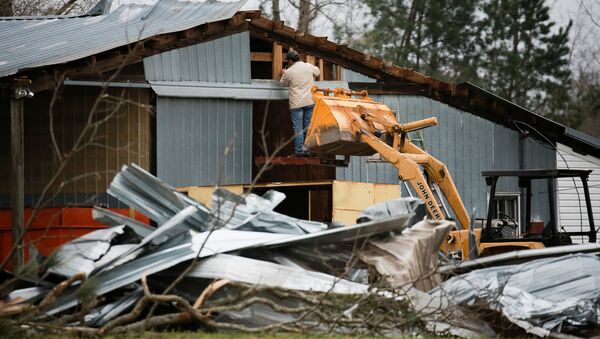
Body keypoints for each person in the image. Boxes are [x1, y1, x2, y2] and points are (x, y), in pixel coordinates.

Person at [280, 50, 320, 157]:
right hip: (309, 102)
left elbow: (283, 84)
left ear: (290, 61)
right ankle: (308, 150)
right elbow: (317, 72)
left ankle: (299, 151)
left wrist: (284, 73)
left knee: (298, 128)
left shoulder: (289, 72)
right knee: (308, 127)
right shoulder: (308, 66)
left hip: (296, 104)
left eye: (287, 61)